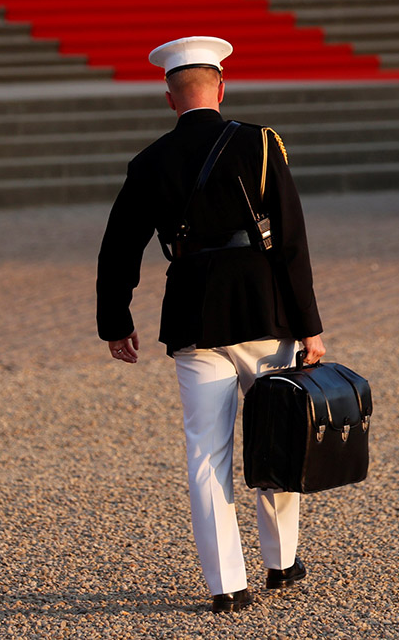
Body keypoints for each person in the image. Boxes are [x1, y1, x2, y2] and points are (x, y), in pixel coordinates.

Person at [96, 36, 326, 613]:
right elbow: (292, 242)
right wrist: (310, 326)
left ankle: (227, 585)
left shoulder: (149, 162)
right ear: (221, 88)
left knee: (206, 453)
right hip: (261, 308)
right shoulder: (260, 143)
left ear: (169, 97)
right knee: (276, 434)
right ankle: (281, 562)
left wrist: (115, 320)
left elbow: (118, 248)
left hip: (193, 312)